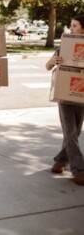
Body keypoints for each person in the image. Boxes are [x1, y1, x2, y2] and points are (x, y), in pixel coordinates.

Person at [46, 15, 84, 186]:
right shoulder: (66, 45)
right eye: (71, 25)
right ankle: (79, 170)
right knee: (70, 132)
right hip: (65, 95)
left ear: (83, 28)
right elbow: (48, 66)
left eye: (74, 26)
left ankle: (61, 160)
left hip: (82, 95)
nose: (71, 29)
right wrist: (53, 61)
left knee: (74, 132)